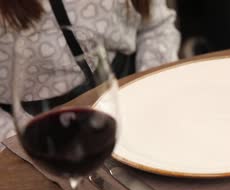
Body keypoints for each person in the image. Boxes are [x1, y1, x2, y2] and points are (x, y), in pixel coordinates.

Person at [0, 0, 180, 145]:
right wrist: (18, 141)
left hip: (131, 100)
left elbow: (155, 27)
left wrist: (151, 95)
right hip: (35, 129)